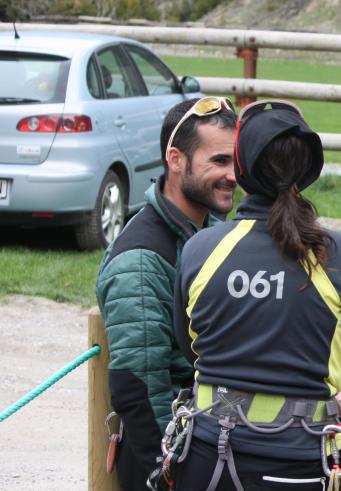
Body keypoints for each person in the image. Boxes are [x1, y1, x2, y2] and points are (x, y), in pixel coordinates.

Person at [170, 100, 341, 489]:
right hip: (298, 459)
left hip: (206, 453)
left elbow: (191, 346)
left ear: (240, 168)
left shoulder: (201, 249)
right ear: (307, 172)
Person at [95, 96, 236, 490]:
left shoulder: (208, 231)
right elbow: (138, 386)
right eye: (219, 161)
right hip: (166, 464)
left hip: (204, 447)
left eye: (236, 162)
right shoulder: (140, 259)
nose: (233, 175)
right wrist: (167, 471)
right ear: (176, 160)